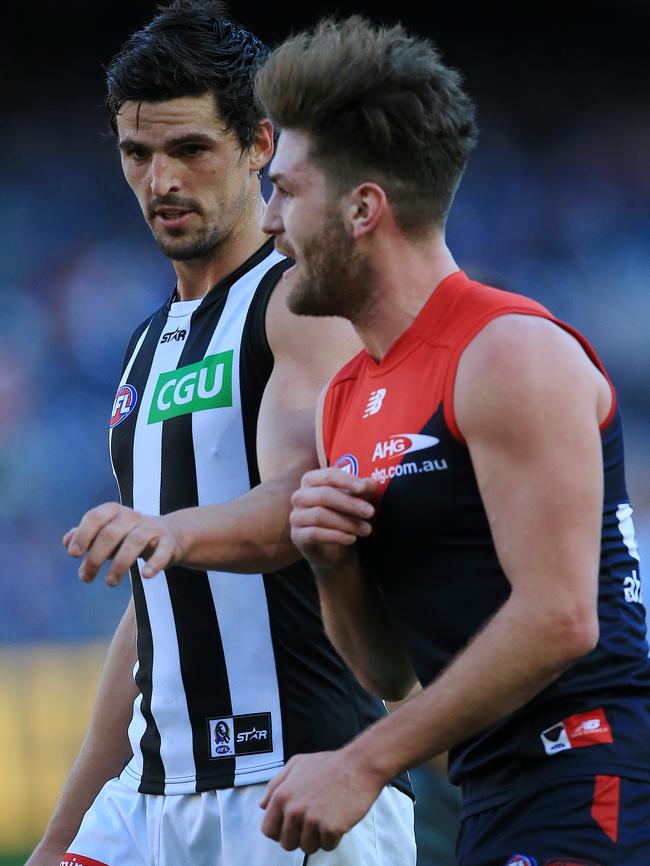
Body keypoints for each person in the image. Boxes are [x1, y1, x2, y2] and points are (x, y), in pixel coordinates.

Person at [254, 15, 650, 865]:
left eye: (285, 190)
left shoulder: (506, 352)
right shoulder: (346, 399)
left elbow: (561, 618)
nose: (267, 223)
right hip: (490, 799)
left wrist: (362, 761)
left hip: (594, 773)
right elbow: (387, 675)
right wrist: (334, 567)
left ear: (363, 208)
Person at [26, 4, 416, 866]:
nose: (161, 179)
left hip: (291, 787)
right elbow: (151, 611)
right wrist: (58, 840)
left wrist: (167, 532)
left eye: (190, 149)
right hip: (153, 796)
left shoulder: (299, 303)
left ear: (258, 145)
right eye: (138, 153)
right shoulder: (145, 344)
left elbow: (307, 507)